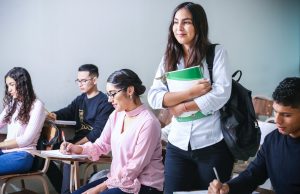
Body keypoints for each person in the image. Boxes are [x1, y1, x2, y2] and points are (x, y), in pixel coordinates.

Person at [147, 2, 234, 193]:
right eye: (176, 22)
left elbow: (221, 94)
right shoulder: (168, 58)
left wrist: (181, 107)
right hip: (177, 145)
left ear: (199, 25)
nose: (179, 28)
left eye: (186, 22)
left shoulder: (216, 53)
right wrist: (190, 93)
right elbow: (154, 97)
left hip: (211, 144)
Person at [60, 69, 164, 194]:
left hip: (145, 186)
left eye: (112, 93)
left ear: (130, 91)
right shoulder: (116, 115)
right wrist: (77, 148)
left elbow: (134, 168)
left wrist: (99, 188)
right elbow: (101, 145)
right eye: (108, 94)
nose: (109, 100)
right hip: (117, 180)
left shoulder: (149, 123)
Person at [208, 77, 300, 194]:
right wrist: (228, 188)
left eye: (286, 115)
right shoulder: (272, 140)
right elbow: (254, 174)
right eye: (275, 112)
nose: (277, 120)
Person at [47, 64, 114, 194]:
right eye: (78, 80)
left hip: (94, 145)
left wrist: (75, 146)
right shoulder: (81, 99)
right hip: (77, 142)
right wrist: (53, 115)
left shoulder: (104, 102)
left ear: (94, 80)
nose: (80, 84)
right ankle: (65, 190)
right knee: (46, 153)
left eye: (84, 80)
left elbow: (97, 133)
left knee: (68, 159)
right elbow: (67, 111)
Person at [0, 67, 46, 175]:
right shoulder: (12, 104)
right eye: (8, 85)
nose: (9, 89)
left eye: (12, 84)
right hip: (6, 152)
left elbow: (26, 140)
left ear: (22, 83)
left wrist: (1, 144)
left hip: (22, 155)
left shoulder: (37, 105)